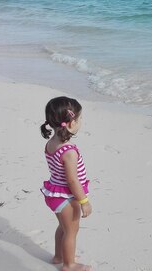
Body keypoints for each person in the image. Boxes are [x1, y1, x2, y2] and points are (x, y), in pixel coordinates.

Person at [39, 96, 93, 271]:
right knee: (71, 231)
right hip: (66, 196)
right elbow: (72, 180)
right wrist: (84, 201)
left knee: (63, 227)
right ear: (70, 123)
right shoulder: (69, 152)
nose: (81, 121)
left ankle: (59, 256)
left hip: (54, 194)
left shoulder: (51, 143)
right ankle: (69, 265)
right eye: (79, 118)